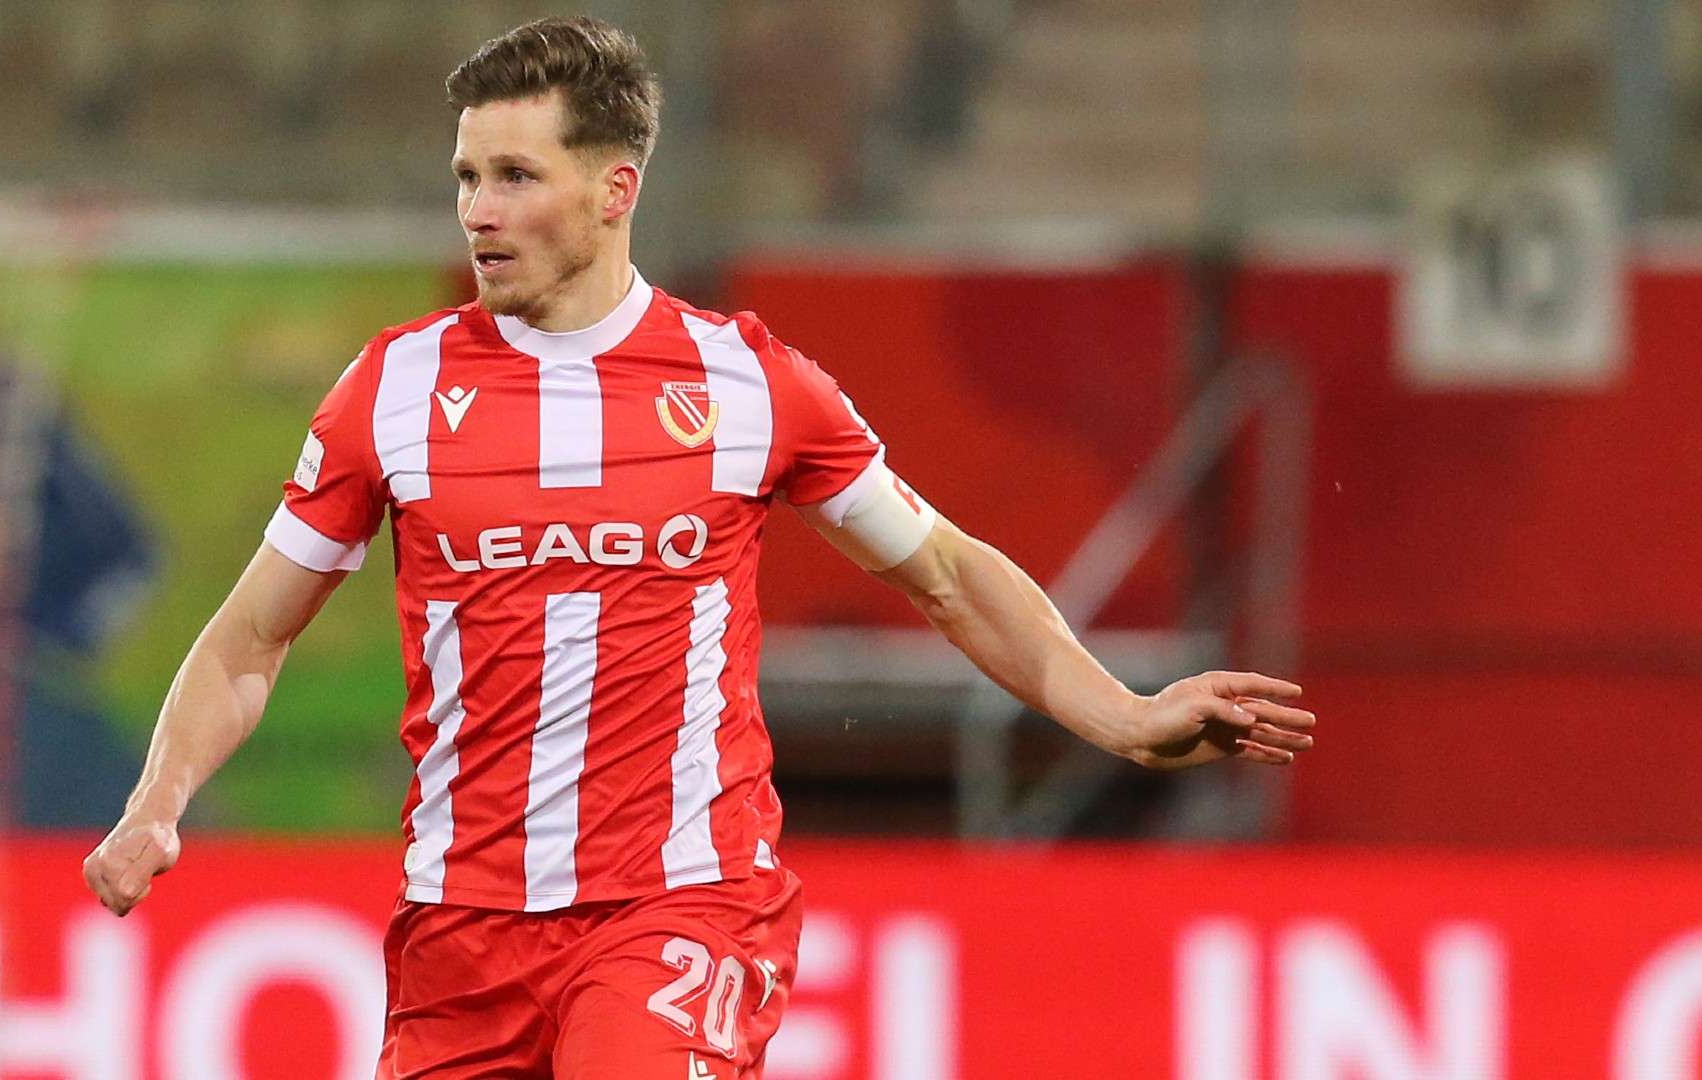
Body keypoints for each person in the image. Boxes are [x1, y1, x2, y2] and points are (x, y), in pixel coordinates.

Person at [82, 15, 1316, 1079]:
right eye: (466, 177)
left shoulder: (746, 384)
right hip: (458, 925)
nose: (479, 211)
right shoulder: (392, 392)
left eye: (516, 176)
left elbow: (943, 573)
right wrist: (157, 803)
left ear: (616, 189)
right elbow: (255, 630)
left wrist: (1120, 713)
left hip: (677, 903)